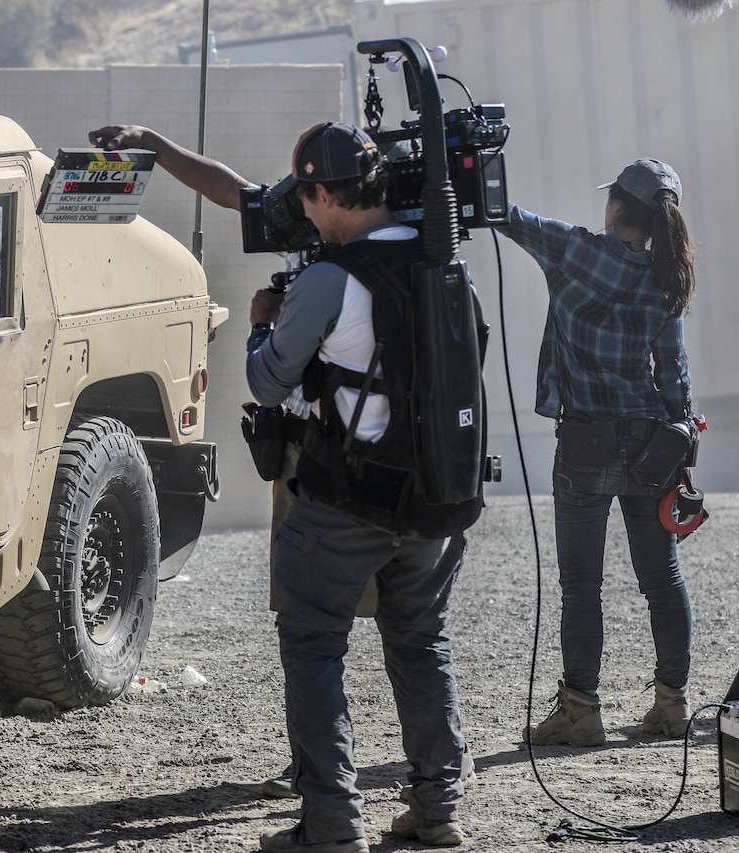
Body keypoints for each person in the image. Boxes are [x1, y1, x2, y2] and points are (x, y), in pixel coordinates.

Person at [92, 122, 472, 851]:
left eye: (307, 196)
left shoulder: (331, 277)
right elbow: (239, 191)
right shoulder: (441, 263)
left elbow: (269, 380)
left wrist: (263, 326)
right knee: (423, 645)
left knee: (313, 647)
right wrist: (159, 146)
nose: (298, 209)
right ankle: (438, 809)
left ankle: (331, 824)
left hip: (347, 499)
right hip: (434, 501)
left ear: (325, 193)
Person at [498, 158, 698, 746]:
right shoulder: (667, 277)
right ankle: (671, 705)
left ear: (618, 206)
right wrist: (682, 449)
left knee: (581, 584)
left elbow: (506, 216)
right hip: (652, 443)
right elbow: (675, 378)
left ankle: (582, 711)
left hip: (584, 441)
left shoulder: (576, 251)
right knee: (662, 577)